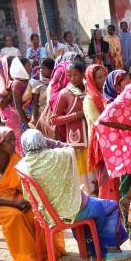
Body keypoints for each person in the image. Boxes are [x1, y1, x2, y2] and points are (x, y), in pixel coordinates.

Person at [17, 130, 130, 261]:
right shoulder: (59, 155)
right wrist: (48, 141)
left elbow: (27, 195)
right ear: (43, 141)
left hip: (47, 215)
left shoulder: (22, 166)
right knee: (111, 206)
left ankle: (90, 248)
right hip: (73, 210)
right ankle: (109, 251)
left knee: (87, 204)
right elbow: (69, 148)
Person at [0, 127, 66, 261]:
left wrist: (29, 200)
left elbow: (23, 182)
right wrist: (14, 204)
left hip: (14, 197)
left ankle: (46, 255)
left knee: (36, 212)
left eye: (14, 140)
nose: (14, 144)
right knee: (15, 216)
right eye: (10, 141)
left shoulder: (14, 158)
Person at [89, 68, 131, 241]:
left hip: (127, 153)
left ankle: (130, 228)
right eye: (122, 81)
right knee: (122, 193)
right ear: (114, 86)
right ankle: (125, 231)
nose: (126, 82)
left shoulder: (127, 100)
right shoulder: (113, 105)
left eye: (127, 78)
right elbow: (102, 123)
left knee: (128, 191)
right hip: (117, 156)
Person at [51, 61, 95, 194]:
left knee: (95, 175)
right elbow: (54, 119)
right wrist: (77, 115)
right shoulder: (65, 93)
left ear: (82, 74)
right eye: (69, 75)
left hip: (92, 137)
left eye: (75, 75)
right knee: (83, 179)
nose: (71, 78)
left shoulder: (91, 89)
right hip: (77, 141)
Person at [0, 57, 32, 153]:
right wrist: (11, 92)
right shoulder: (3, 84)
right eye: (10, 66)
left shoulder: (21, 80)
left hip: (23, 117)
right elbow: (1, 104)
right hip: (14, 119)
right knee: (17, 144)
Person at [82, 65, 108, 173]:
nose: (104, 80)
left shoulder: (106, 94)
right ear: (92, 80)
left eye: (105, 75)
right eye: (99, 77)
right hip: (99, 142)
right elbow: (99, 122)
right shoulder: (89, 99)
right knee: (104, 179)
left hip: (110, 140)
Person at [29, 58, 54, 125]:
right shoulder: (37, 84)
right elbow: (34, 103)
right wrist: (33, 118)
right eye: (40, 68)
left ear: (51, 70)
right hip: (42, 117)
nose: (40, 70)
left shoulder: (56, 83)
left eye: (43, 68)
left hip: (54, 117)